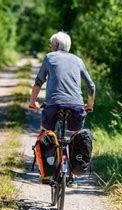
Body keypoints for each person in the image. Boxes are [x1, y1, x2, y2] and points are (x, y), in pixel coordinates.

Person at [28, 32, 96, 187]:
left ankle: (46, 172)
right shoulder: (78, 60)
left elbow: (39, 82)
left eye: (52, 44)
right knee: (75, 135)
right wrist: (89, 104)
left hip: (53, 105)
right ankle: (73, 175)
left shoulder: (49, 57)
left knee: (46, 133)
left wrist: (33, 102)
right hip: (76, 105)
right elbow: (91, 86)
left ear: (55, 46)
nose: (51, 47)